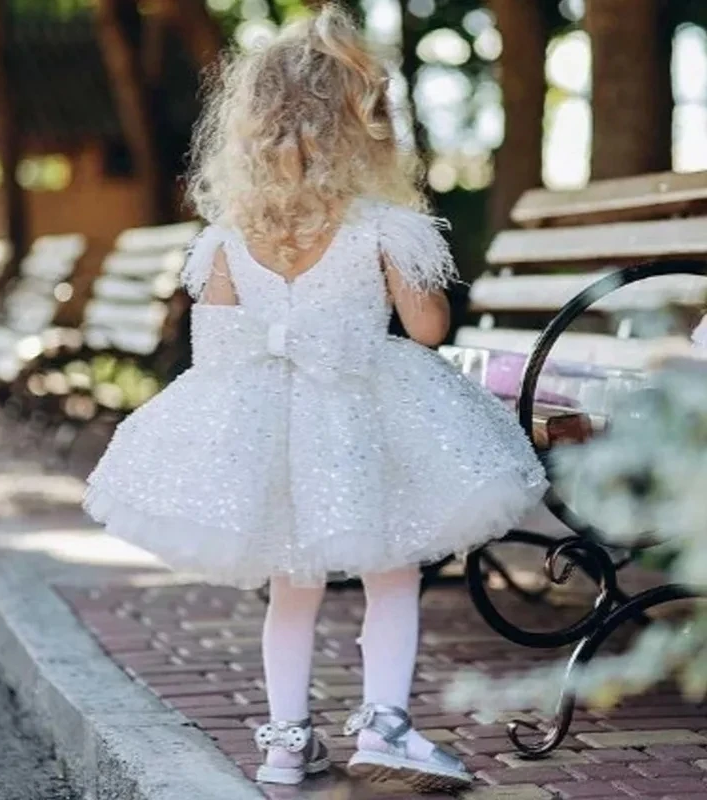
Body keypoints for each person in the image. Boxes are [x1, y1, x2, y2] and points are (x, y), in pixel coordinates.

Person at [84, 6, 547, 793]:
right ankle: (387, 729)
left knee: (290, 587)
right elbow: (428, 329)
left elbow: (219, 350)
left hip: (272, 428)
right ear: (355, 125)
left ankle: (285, 743)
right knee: (392, 571)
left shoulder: (227, 235)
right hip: (368, 417)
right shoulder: (383, 226)